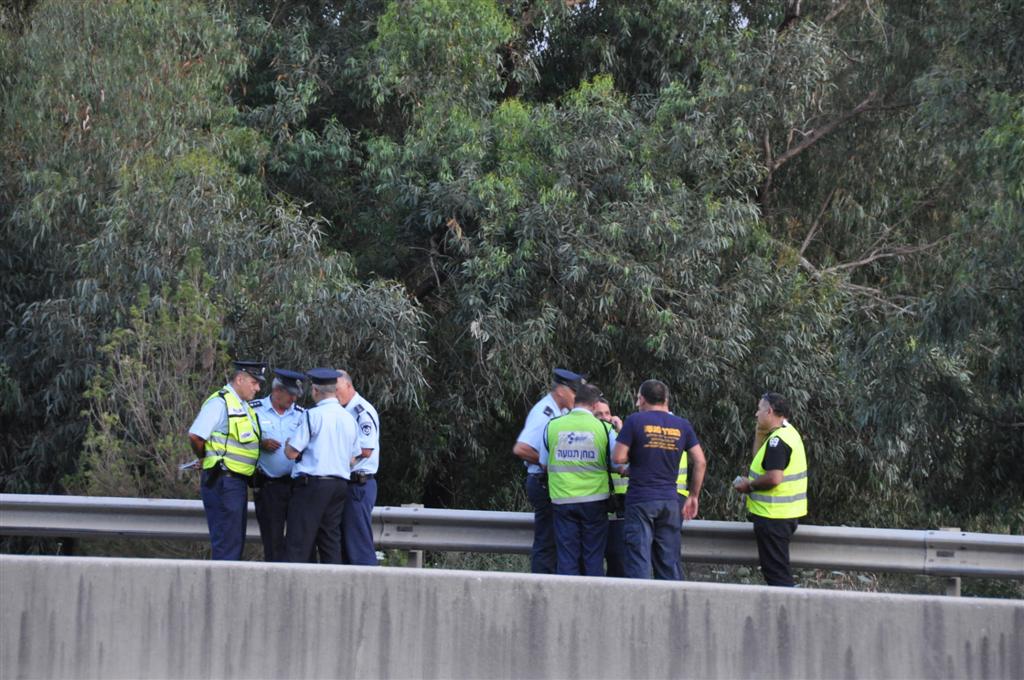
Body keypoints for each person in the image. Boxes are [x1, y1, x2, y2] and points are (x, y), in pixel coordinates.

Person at [612, 379, 706, 580]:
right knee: (668, 562)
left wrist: (638, 457)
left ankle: (641, 609)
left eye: (638, 399)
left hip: (641, 501)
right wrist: (693, 496)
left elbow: (618, 457)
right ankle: (671, 609)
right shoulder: (682, 425)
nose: (637, 404)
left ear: (643, 399)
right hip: (670, 502)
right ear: (666, 400)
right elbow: (700, 462)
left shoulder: (635, 421)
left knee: (639, 560)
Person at [188, 360, 266, 560]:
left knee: (233, 540)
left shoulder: (243, 407)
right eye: (254, 382)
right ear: (240, 379)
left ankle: (226, 586)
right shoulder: (220, 402)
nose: (258, 388)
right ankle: (221, 588)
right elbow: (196, 436)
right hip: (223, 480)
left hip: (235, 482)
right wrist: (205, 457)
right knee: (227, 542)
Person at [283, 368, 358, 564]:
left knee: (299, 539)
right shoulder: (349, 418)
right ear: (334, 390)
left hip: (312, 485)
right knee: (330, 540)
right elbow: (353, 459)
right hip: (339, 485)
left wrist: (287, 444)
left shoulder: (312, 415)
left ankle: (294, 588)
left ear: (315, 390)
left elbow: (292, 453)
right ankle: (332, 586)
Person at [512, 368, 584, 574]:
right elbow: (522, 448)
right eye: (574, 392)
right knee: (547, 541)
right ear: (561, 391)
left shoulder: (560, 411)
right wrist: (548, 463)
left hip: (551, 484)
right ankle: (541, 585)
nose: (577, 397)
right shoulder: (544, 412)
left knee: (555, 540)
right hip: (542, 482)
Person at [732, 392, 808, 587]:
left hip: (774, 516)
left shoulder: (778, 441)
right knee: (776, 570)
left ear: (770, 411)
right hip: (782, 515)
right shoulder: (786, 433)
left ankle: (786, 615)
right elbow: (761, 459)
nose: (756, 414)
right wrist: (759, 432)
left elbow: (774, 477)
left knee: (777, 575)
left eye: (759, 409)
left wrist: (749, 485)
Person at [539, 384, 614, 576]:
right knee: (593, 556)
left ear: (575, 401)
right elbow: (618, 462)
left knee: (566, 557)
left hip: (562, 500)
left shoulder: (553, 425)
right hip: (595, 501)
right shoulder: (605, 429)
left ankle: (566, 602)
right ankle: (594, 601)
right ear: (596, 404)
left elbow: (543, 464)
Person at [250, 368, 305, 562]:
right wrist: (260, 444)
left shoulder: (301, 415)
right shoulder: (254, 409)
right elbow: (241, 439)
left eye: (296, 395)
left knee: (298, 539)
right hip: (269, 486)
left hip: (296, 486)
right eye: (290, 395)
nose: (293, 400)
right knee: (272, 540)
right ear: (277, 391)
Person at [336, 369, 380, 566]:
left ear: (348, 385)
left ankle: (370, 586)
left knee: (358, 542)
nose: (335, 395)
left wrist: (338, 460)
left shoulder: (361, 410)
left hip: (359, 484)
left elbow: (366, 449)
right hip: (348, 484)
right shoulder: (343, 410)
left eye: (337, 390)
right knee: (345, 542)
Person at [594, 397, 627, 577]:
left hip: (620, 512)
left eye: (607, 413)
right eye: (598, 414)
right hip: (598, 510)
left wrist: (621, 431)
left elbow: (629, 459)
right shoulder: (593, 438)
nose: (604, 417)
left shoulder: (620, 436)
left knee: (619, 562)